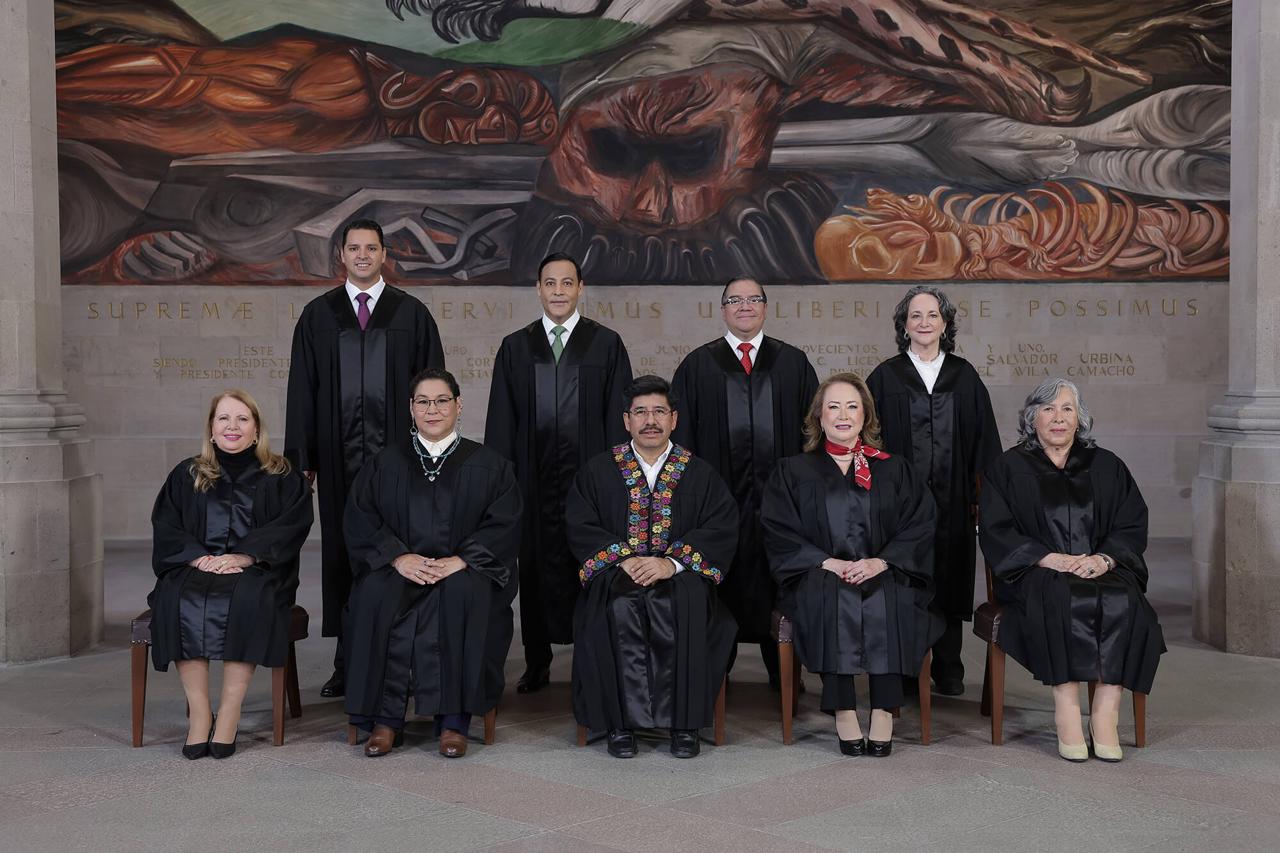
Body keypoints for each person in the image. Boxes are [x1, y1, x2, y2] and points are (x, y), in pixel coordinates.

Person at [284, 218, 445, 698]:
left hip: (400, 461)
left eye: (370, 248)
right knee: (343, 554)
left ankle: (405, 657)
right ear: (341, 255)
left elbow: (433, 390)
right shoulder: (318, 315)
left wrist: (431, 450)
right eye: (353, 248)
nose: (361, 255)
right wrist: (303, 457)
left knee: (401, 550)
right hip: (338, 460)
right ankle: (347, 661)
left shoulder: (411, 314)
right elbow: (302, 390)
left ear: (383, 255)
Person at [979, 378, 1164, 762]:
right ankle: (1066, 711)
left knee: (1124, 598)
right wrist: (1048, 558)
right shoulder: (1009, 468)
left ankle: (1105, 713)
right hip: (1036, 571)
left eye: (1067, 409)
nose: (1058, 418)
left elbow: (1131, 523)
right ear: (1032, 418)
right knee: (1061, 595)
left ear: (1080, 418)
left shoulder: (1106, 465)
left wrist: (1104, 559)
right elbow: (997, 529)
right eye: (1048, 409)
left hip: (1100, 566)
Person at [342, 368, 522, 758]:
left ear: (458, 405)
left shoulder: (490, 464)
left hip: (462, 569)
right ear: (411, 408)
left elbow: (504, 523)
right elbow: (360, 518)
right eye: (423, 402)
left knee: (463, 595)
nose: (432, 409)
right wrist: (397, 557)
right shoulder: (384, 463)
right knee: (375, 593)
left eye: (442, 401)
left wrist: (464, 559)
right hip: (400, 567)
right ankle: (385, 720)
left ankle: (453, 722)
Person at [761, 373, 937, 756]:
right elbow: (778, 529)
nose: (843, 415)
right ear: (819, 417)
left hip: (883, 571)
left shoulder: (894, 469)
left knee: (889, 593)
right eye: (834, 407)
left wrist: (882, 562)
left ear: (866, 416)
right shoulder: (793, 471)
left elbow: (919, 526)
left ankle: (884, 710)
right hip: (820, 574)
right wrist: (827, 563)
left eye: (852, 406)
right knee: (832, 592)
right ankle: (843, 710)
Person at [566, 375, 739, 759]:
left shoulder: (699, 472)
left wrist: (671, 563)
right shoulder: (598, 470)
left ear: (674, 419)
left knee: (685, 605)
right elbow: (580, 524)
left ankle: (684, 724)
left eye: (659, 412)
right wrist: (623, 558)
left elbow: (721, 526)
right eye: (640, 412)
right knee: (618, 606)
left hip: (680, 574)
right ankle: (620, 724)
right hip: (618, 572)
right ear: (626, 420)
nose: (650, 421)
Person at [485, 252, 633, 694]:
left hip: (589, 483)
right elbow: (502, 420)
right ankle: (537, 660)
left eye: (567, 283)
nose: (558, 291)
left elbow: (618, 419)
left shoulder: (606, 344)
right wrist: (501, 482)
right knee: (533, 566)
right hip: (531, 481)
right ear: (538, 289)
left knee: (591, 562)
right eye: (550, 283)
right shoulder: (515, 346)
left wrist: (614, 480)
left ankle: (591, 656)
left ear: (580, 288)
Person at [149, 390, 314, 759]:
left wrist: (245, 556)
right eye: (223, 418)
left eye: (242, 419)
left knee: (247, 597)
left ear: (256, 430)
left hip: (258, 570)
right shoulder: (188, 473)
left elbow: (291, 526)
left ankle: (230, 711)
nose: (232, 426)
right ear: (211, 428)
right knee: (178, 595)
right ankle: (200, 713)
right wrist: (196, 558)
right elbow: (167, 524)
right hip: (197, 566)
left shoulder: (281, 475)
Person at [671, 277, 819, 688]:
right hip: (719, 506)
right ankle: (717, 667)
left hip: (780, 504)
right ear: (723, 310)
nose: (745, 306)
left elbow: (812, 435)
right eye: (735, 300)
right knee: (720, 578)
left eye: (754, 299)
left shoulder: (793, 364)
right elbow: (682, 442)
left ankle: (783, 669)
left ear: (765, 307)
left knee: (780, 575)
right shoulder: (698, 366)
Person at [867, 286, 1001, 695]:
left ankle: (948, 665)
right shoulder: (885, 377)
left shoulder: (964, 376)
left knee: (949, 576)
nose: (924, 322)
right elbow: (868, 440)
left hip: (954, 501)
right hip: (899, 506)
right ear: (904, 326)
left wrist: (983, 501)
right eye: (915, 315)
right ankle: (906, 668)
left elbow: (984, 443)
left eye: (932, 315)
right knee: (904, 577)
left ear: (945, 325)